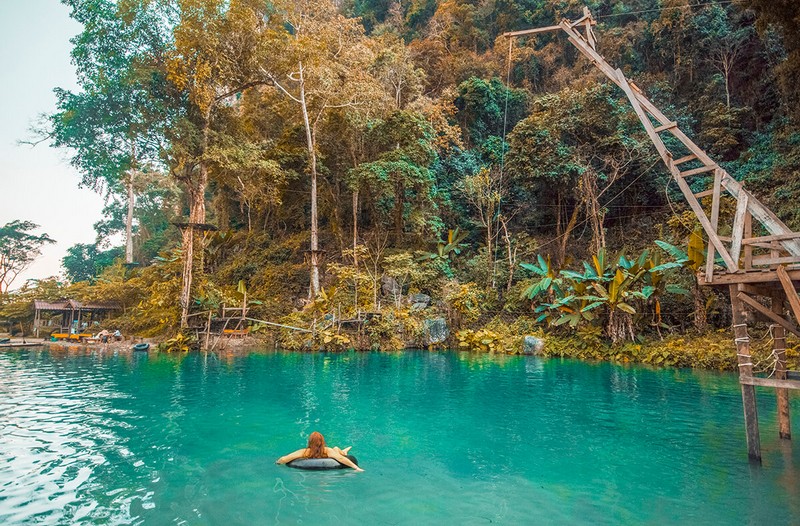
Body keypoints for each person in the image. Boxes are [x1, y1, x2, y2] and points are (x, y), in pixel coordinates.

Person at [276, 431, 363, 471]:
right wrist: (356, 467)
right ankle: (343, 451)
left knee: (336, 449)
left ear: (310, 442)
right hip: (332, 453)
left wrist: (277, 463)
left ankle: (344, 452)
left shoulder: (305, 452)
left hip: (336, 453)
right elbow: (341, 459)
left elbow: (284, 459)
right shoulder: (327, 451)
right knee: (335, 448)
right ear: (322, 442)